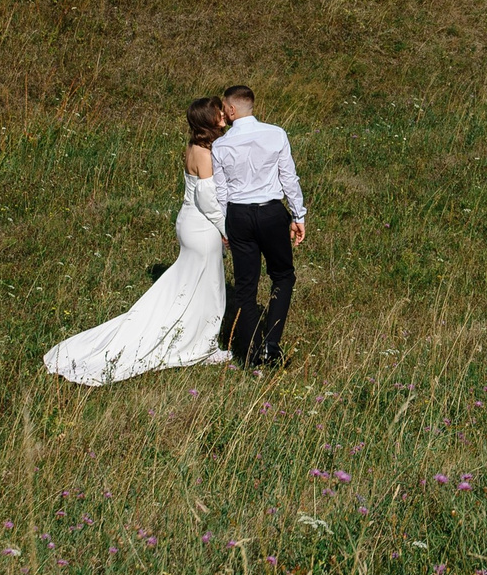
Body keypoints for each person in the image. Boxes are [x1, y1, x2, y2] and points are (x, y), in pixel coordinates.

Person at [42, 97, 236, 385]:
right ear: (209, 119)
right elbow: (207, 201)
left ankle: (193, 336)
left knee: (190, 285)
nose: (223, 114)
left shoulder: (193, 148)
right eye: (218, 112)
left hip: (189, 222)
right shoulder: (204, 154)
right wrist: (227, 230)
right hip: (202, 226)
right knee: (211, 288)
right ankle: (202, 345)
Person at [211, 84, 307, 368]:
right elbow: (289, 177)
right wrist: (298, 215)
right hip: (271, 213)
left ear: (231, 109)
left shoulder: (220, 145)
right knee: (283, 276)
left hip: (238, 215)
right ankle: (271, 347)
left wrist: (225, 228)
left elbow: (221, 192)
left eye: (224, 109)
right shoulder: (276, 134)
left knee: (245, 286)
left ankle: (251, 353)